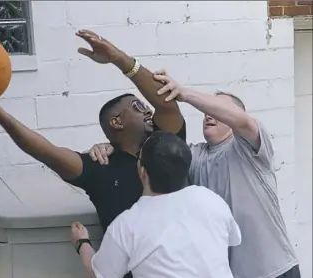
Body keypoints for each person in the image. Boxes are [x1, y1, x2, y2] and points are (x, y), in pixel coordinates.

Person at [0, 30, 185, 278]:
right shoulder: (100, 168)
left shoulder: (166, 147)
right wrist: (0, 115)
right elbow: (46, 152)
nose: (148, 111)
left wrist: (118, 58)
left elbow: (165, 102)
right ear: (117, 121)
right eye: (138, 107)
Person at [87, 71, 300, 278]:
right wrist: (113, 146)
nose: (209, 113)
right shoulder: (194, 156)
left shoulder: (250, 149)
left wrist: (185, 94)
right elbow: (161, 153)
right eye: (208, 109)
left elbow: (243, 122)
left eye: (219, 108)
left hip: (276, 271)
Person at [69, 131, 242, 278]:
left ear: (142, 172)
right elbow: (232, 239)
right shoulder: (211, 200)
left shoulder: (127, 225)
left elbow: (97, 273)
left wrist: (82, 242)